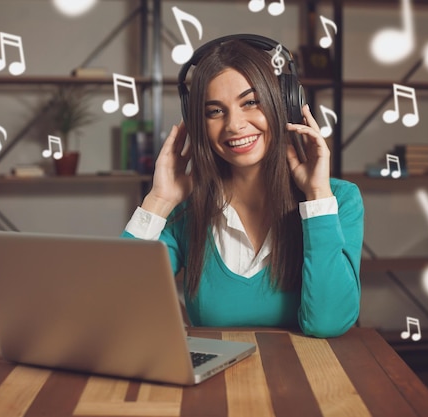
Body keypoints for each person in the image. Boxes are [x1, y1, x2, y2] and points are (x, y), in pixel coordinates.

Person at [122, 35, 363, 338]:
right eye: (215, 111)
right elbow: (118, 307)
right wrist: (158, 200)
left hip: (310, 378)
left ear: (284, 105)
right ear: (198, 124)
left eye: (250, 102)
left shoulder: (338, 200)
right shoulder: (185, 210)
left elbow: (327, 322)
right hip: (213, 382)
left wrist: (316, 198)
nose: (234, 125)